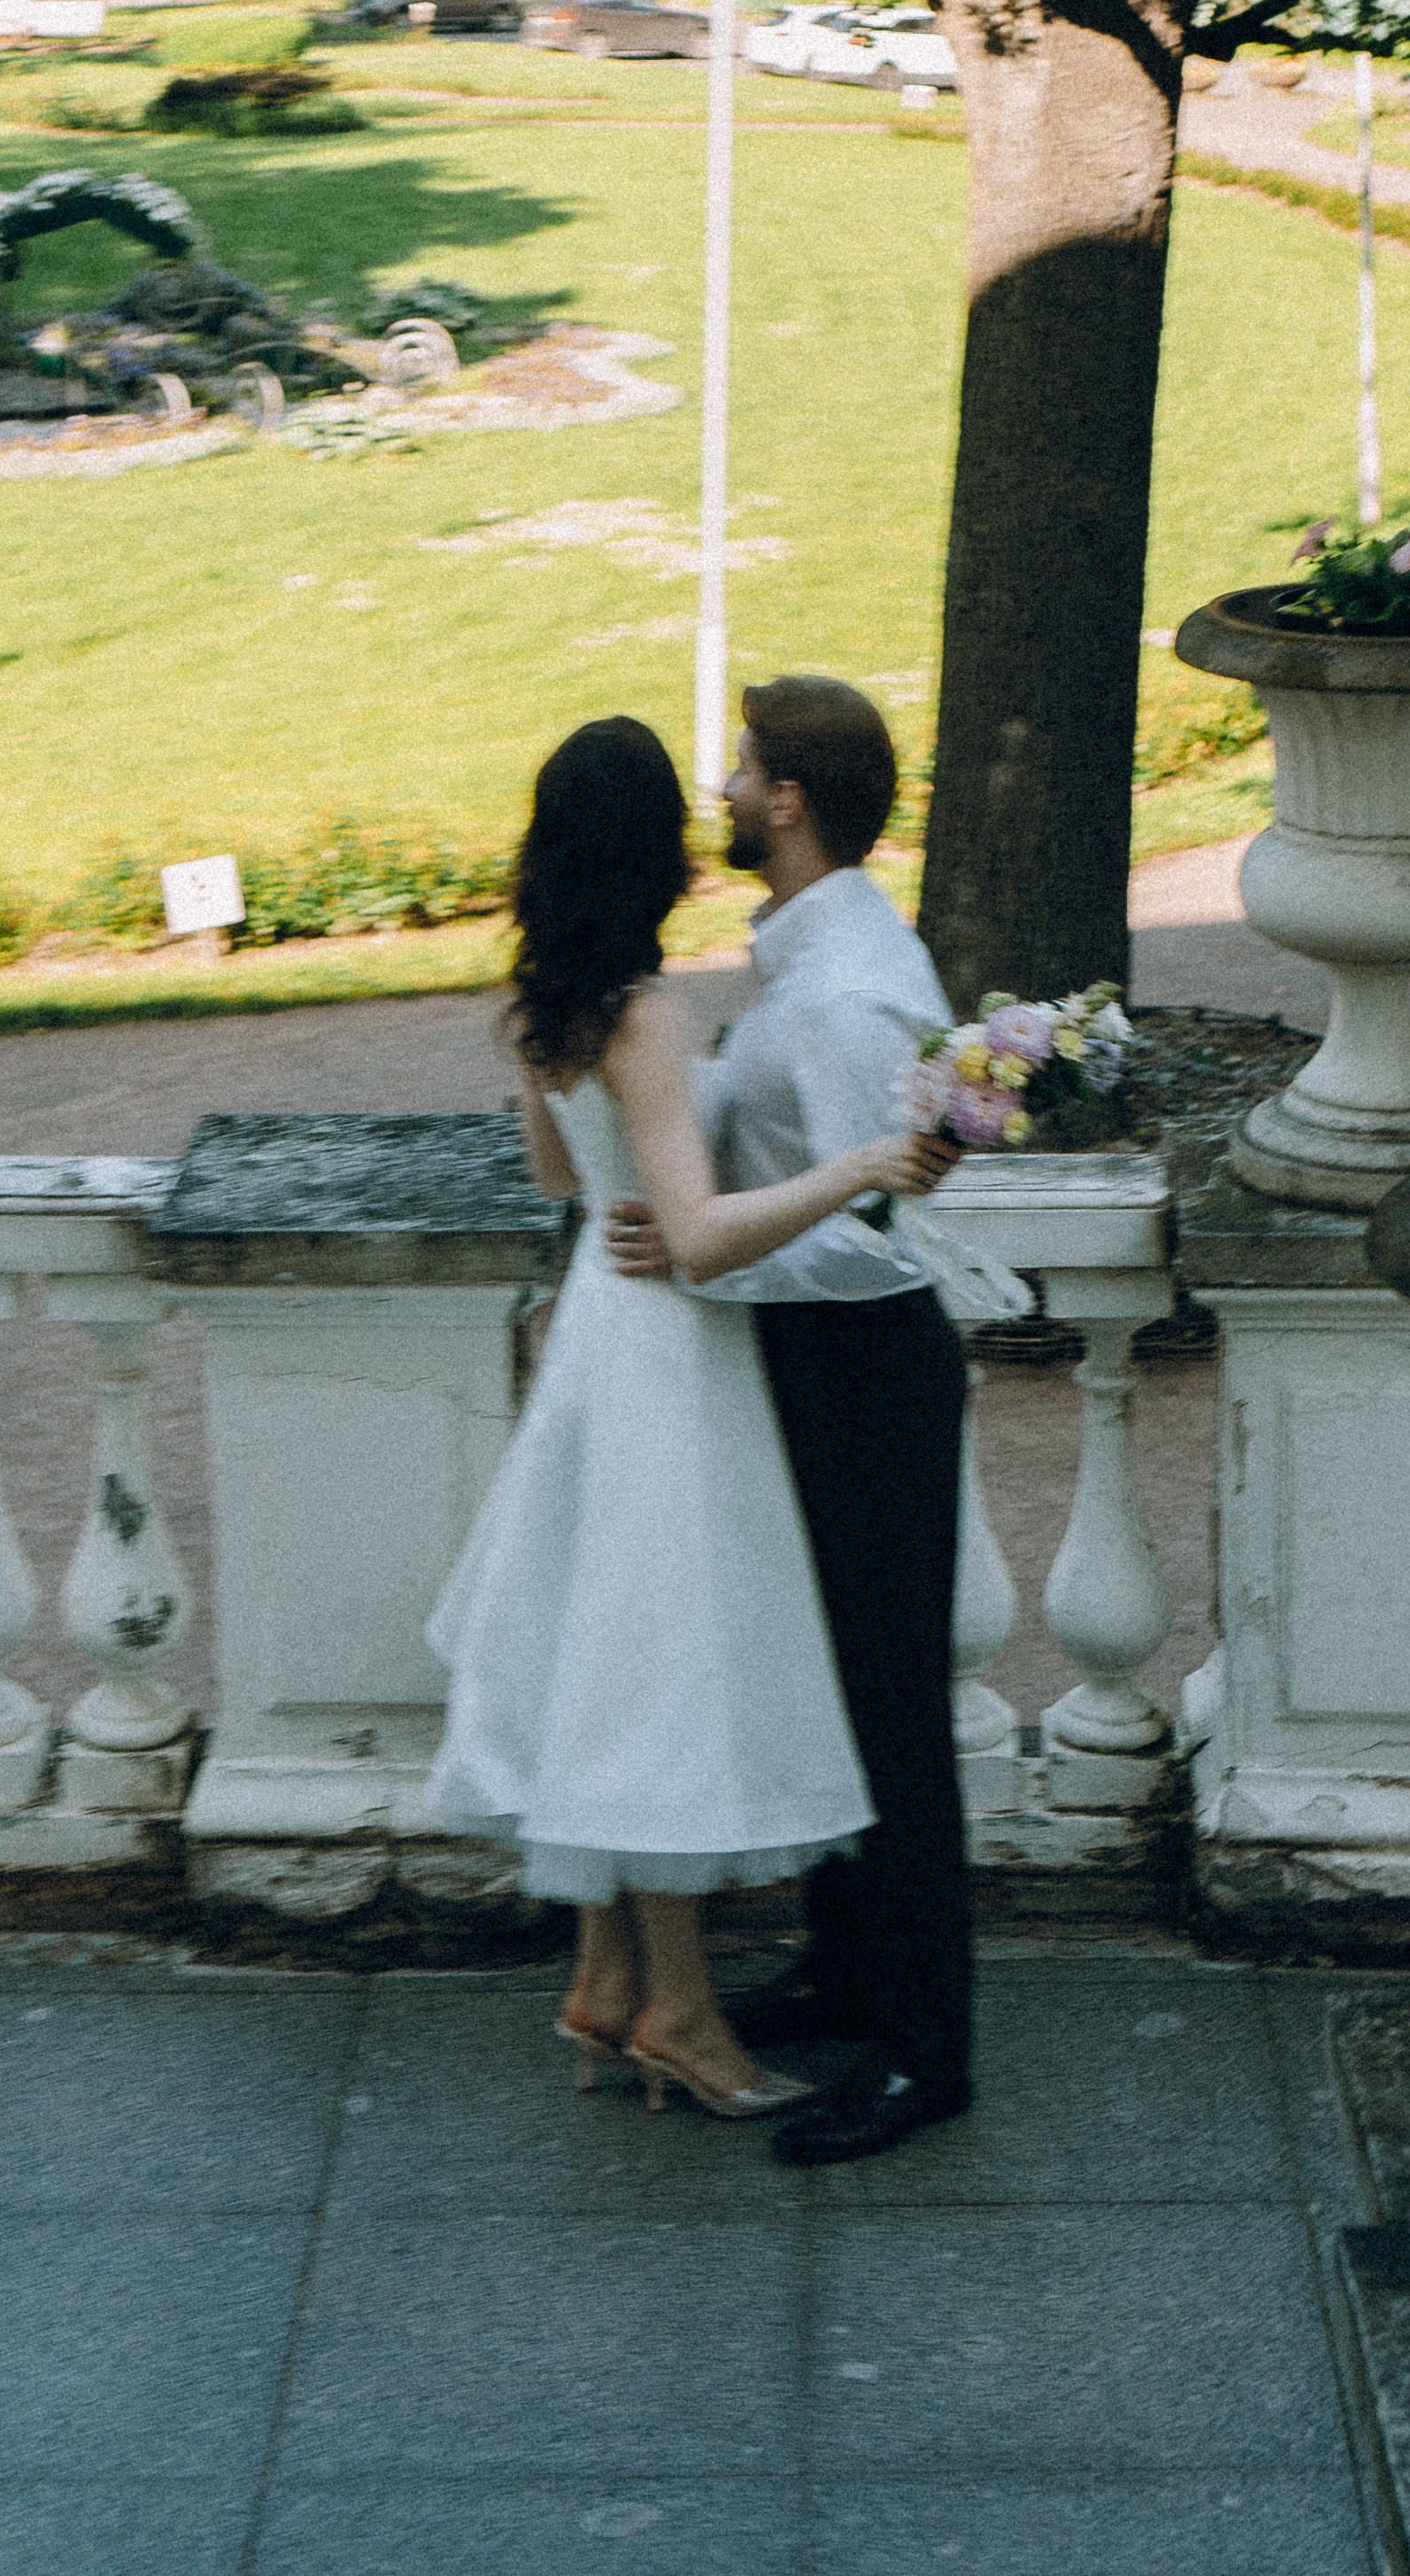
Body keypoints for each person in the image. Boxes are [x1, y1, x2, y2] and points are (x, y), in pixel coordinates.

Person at [426, 715, 959, 2120]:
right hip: (673, 1346)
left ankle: (614, 1983)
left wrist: (642, 1180)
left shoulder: (556, 1003)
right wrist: (865, 1161)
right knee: (665, 1669)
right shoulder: (655, 1014)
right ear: (653, 845)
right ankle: (677, 2015)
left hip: (603, 1330)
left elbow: (562, 1179)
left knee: (609, 1648)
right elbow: (704, 1237)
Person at [607, 675, 975, 2166]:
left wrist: (699, 1261)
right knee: (835, 1686)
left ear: (791, 803)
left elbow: (874, 1230)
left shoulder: (846, 990)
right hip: (822, 1365)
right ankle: (850, 1969)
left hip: (861, 1368)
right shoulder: (816, 957)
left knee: (890, 1716)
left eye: (743, 765)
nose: (723, 782)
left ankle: (925, 2054)